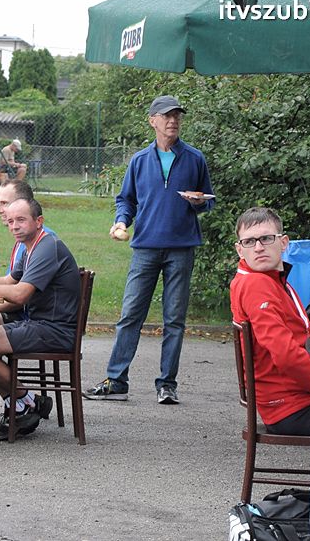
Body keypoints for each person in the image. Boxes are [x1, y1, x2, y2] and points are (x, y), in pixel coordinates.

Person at [84, 95, 214, 405]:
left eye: (177, 116)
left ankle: (167, 384)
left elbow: (209, 200)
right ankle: (116, 381)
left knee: (175, 319)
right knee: (130, 315)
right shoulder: (139, 161)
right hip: (145, 247)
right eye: (166, 116)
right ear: (152, 120)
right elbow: (126, 199)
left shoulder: (195, 159)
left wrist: (199, 202)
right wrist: (120, 222)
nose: (173, 121)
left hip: (182, 248)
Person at [0, 198, 80, 441]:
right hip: (40, 323)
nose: (14, 226)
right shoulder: (32, 246)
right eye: (10, 221)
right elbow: (11, 281)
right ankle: (26, 402)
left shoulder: (47, 247)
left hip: (55, 329)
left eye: (20, 220)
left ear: (38, 221)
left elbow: (20, 294)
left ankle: (22, 405)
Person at [230, 207, 310, 436]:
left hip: (290, 401)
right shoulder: (256, 285)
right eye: (249, 242)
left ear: (283, 242)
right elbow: (286, 354)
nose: (258, 247)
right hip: (290, 407)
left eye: (266, 238)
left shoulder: (271, 279)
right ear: (240, 250)